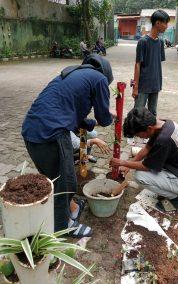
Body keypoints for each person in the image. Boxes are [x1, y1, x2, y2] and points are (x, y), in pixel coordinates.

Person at [22, 54, 114, 238]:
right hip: (52, 135)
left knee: (53, 181)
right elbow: (104, 119)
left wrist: (90, 124)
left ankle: (63, 213)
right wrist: (111, 116)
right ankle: (64, 227)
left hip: (32, 132)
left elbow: (71, 115)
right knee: (65, 184)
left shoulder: (70, 76)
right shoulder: (100, 79)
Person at [110, 108, 178, 211]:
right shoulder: (163, 124)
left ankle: (177, 199)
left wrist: (124, 163)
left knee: (139, 176)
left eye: (138, 135)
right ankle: (173, 190)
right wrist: (131, 163)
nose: (138, 137)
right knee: (143, 169)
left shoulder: (163, 139)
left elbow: (147, 166)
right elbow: (147, 148)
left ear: (148, 128)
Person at [132, 10, 170, 116]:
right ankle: (131, 132)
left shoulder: (160, 43)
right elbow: (138, 64)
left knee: (152, 113)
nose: (166, 26)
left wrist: (158, 83)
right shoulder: (143, 42)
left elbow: (157, 64)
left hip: (155, 85)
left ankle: (150, 133)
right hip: (143, 85)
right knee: (138, 113)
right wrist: (135, 87)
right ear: (157, 23)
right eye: (165, 23)